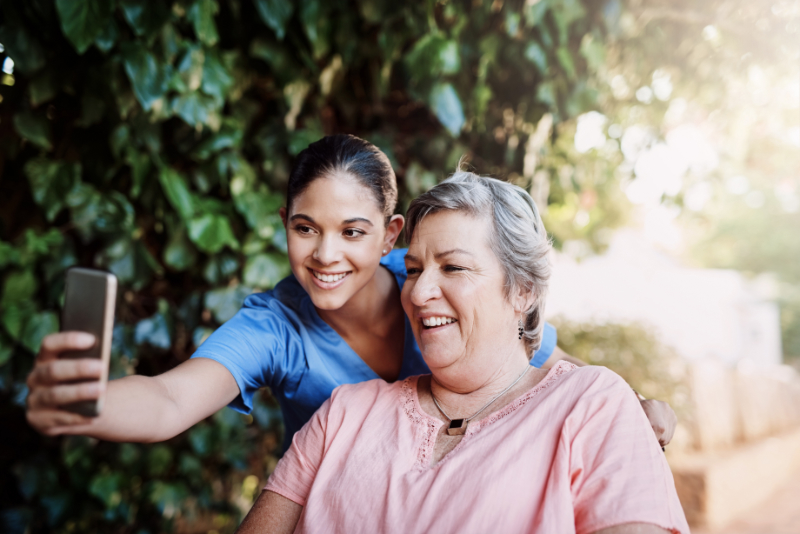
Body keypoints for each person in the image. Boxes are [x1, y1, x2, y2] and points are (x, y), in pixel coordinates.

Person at [24, 134, 674, 451]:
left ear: (391, 234)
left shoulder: (434, 285)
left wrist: (634, 408)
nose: (326, 255)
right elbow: (171, 397)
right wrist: (91, 402)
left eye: (353, 231)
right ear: (285, 226)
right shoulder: (276, 325)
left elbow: (544, 363)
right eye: (305, 229)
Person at [237, 172, 689, 534]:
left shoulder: (593, 406)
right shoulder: (344, 414)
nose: (419, 292)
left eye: (453, 267)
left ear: (523, 290)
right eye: (413, 270)